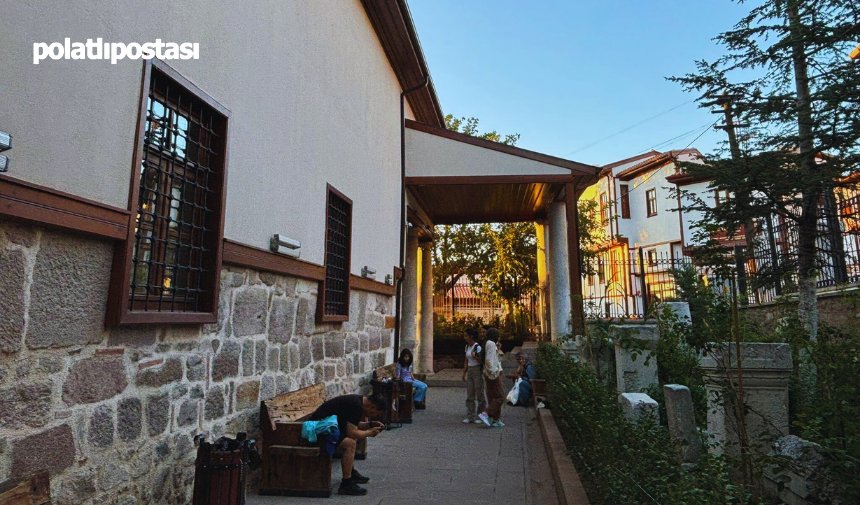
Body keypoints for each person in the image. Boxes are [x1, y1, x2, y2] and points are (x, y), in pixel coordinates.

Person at [308, 393, 387, 496]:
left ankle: (351, 473)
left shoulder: (357, 402)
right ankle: (346, 484)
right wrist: (369, 433)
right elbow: (352, 432)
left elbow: (352, 424)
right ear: (373, 406)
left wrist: (370, 425)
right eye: (376, 413)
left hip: (327, 427)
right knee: (350, 444)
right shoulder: (356, 406)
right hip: (318, 430)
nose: (374, 415)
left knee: (351, 440)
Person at [477, 327, 505, 428]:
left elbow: (495, 358)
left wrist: (498, 350)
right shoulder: (491, 344)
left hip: (490, 372)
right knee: (500, 396)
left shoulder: (488, 343)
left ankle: (496, 419)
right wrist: (493, 371)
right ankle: (486, 414)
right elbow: (489, 360)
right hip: (493, 373)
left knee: (494, 396)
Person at [461, 328, 486, 424]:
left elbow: (481, 361)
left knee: (479, 392)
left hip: (477, 370)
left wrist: (475, 357)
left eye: (466, 336)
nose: (465, 338)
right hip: (470, 370)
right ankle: (470, 415)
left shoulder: (477, 347)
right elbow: (466, 360)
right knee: (470, 393)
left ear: (471, 336)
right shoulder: (467, 347)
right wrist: (464, 372)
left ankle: (481, 414)